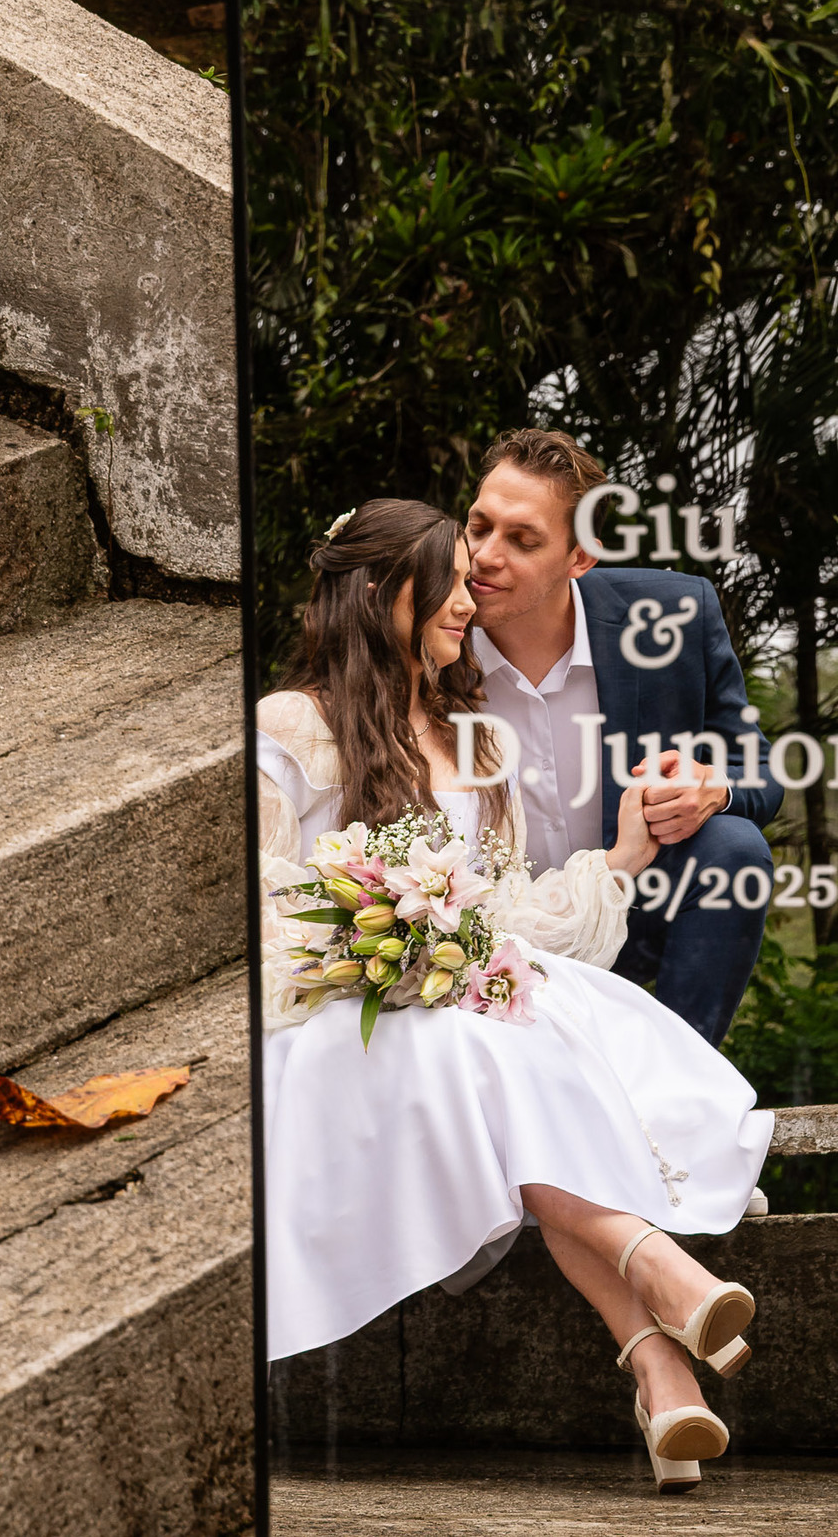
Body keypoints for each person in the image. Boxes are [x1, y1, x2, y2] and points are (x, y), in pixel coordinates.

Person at [258, 500, 772, 1494]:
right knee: (488, 1044)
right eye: (448, 578)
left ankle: (664, 1377)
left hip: (468, 989)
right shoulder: (295, 725)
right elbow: (259, 898)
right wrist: (386, 943)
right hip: (340, 1011)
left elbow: (505, 912)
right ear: (377, 592)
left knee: (517, 1027)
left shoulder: (480, 740)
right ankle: (656, 1278)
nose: (469, 597)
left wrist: (619, 855)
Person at [465, 429, 781, 1047]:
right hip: (483, 938)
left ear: (580, 558)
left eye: (523, 540)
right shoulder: (427, 635)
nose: (485, 555)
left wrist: (715, 789)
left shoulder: (672, 616)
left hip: (634, 933)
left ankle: (681, 1090)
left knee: (733, 845)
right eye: (479, 527)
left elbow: (762, 776)